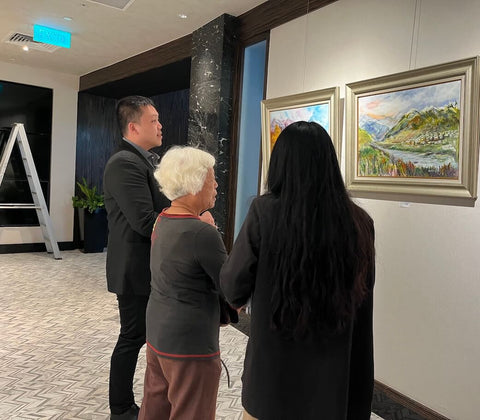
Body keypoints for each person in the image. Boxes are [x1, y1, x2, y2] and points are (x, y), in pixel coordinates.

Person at [220, 121, 376, 420]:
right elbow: (363, 305)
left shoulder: (263, 213)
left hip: (272, 382)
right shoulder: (360, 223)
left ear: (279, 165)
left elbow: (233, 287)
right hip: (332, 386)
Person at [138, 146, 230, 420]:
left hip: (158, 333)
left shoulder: (161, 220)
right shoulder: (202, 232)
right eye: (212, 178)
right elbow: (230, 284)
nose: (216, 184)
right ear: (195, 183)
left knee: (154, 409)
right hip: (191, 344)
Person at [103, 95, 169, 420]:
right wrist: (188, 222)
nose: (160, 125)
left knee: (141, 336)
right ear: (134, 126)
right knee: (132, 337)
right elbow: (144, 221)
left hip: (147, 268)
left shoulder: (144, 160)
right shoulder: (125, 163)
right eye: (154, 120)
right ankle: (121, 408)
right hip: (134, 269)